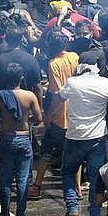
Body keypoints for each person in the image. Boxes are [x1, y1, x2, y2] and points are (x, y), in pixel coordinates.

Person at [59, 53, 108, 216]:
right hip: (97, 136)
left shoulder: (72, 82)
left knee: (68, 172)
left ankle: (73, 209)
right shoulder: (105, 82)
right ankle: (94, 214)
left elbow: (62, 95)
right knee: (96, 177)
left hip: (75, 135)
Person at [29, 30, 80, 199]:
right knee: (74, 154)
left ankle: (36, 187)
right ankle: (78, 190)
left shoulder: (53, 64)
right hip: (76, 112)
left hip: (60, 115)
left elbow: (57, 94)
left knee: (46, 152)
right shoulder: (74, 56)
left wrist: (49, 115)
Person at [0, 63, 42, 216]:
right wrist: (26, 119)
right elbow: (39, 119)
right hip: (24, 137)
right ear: (21, 77)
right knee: (23, 179)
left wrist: (3, 121)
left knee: (5, 180)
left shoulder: (0, 96)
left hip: (6, 138)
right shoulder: (30, 96)